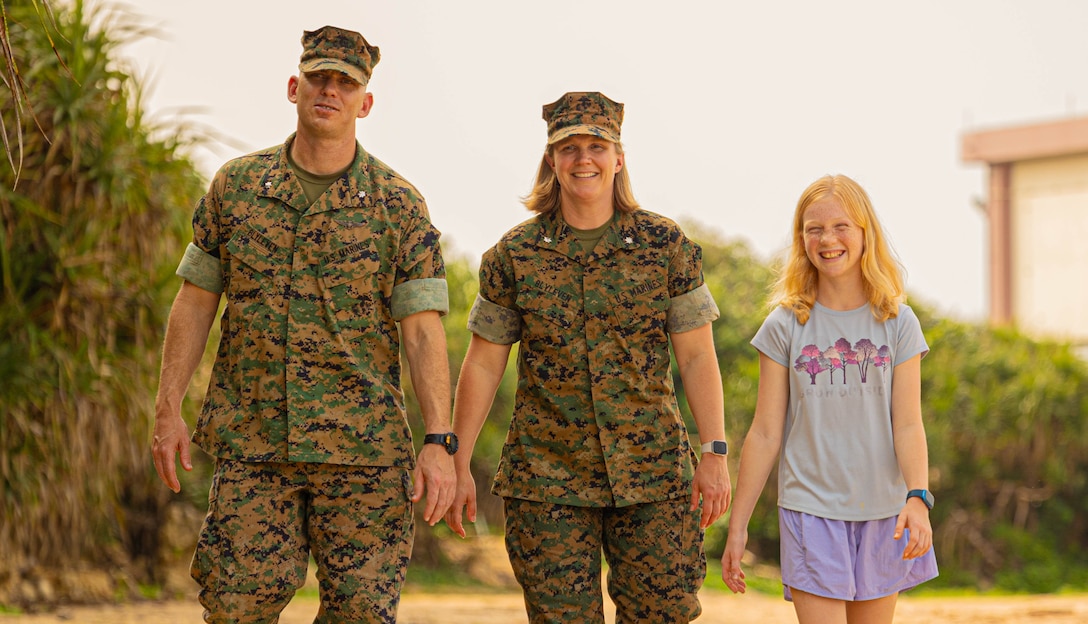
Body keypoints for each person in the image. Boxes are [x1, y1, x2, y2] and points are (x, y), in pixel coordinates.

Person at [151, 26, 457, 623]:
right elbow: (193, 303)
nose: (330, 91)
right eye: (319, 78)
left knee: (363, 614)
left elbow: (422, 332)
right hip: (253, 443)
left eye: (347, 84)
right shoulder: (235, 189)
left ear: (365, 104)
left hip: (363, 453)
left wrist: (439, 441)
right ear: (295, 87)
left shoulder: (399, 205)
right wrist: (168, 408)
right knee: (236, 607)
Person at [444, 91, 732, 623]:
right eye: (569, 147)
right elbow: (484, 363)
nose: (583, 159)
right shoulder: (513, 255)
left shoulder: (664, 245)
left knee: (664, 614)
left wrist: (714, 452)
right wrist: (457, 460)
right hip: (546, 480)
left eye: (596, 145)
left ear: (618, 157)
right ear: (551, 160)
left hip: (654, 478)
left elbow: (696, 357)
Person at [721, 174, 938, 623]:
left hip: (885, 513)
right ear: (801, 239)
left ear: (864, 233)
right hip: (810, 511)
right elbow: (764, 432)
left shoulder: (898, 322)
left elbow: (909, 423)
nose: (827, 238)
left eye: (841, 226)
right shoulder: (785, 324)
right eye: (813, 228)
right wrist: (737, 526)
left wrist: (918, 496)